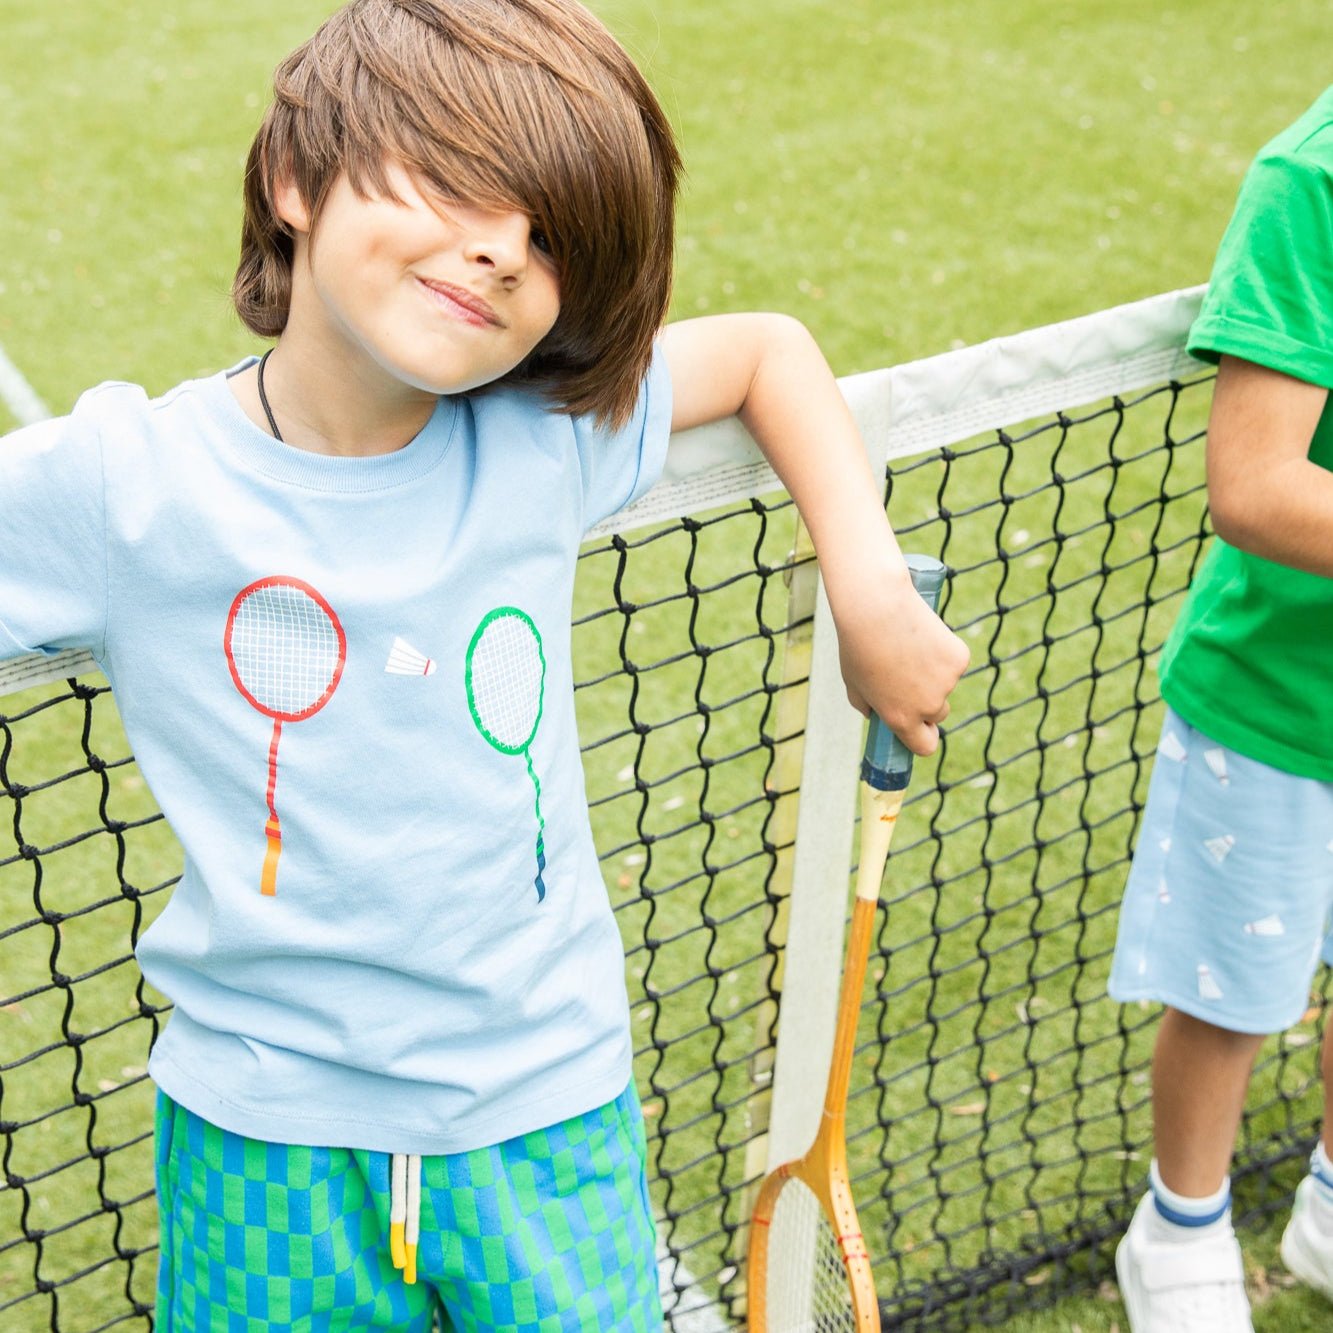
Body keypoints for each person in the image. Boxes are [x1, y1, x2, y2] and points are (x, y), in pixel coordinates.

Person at [0, 1, 969, 1328]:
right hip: (261, 1143)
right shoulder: (127, 484)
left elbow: (764, 356)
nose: (502, 246)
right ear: (293, 182)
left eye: (552, 234)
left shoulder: (537, 442)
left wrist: (864, 583)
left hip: (549, 1118)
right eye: (456, 182)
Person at [1108, 85, 1333, 1333]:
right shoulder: (1312, 184)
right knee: (1235, 986)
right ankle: (1178, 1228)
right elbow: (1255, 485)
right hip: (1273, 708)